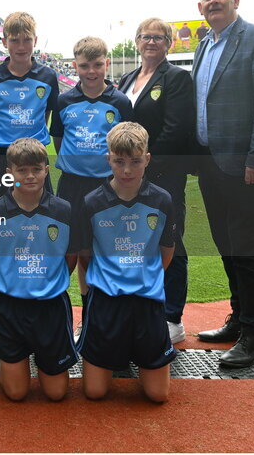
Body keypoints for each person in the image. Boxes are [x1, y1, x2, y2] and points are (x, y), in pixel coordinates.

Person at [192, 0, 254, 368]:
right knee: (227, 248)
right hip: (212, 166)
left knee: (247, 252)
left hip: (247, 166)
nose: (214, 1)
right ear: (200, 8)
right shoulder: (203, 46)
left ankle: (253, 336)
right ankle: (238, 320)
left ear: (235, 0)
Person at [74, 122, 178, 402]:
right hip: (107, 300)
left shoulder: (162, 200)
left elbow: (166, 252)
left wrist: (143, 275)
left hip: (147, 300)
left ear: (147, 159)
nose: (127, 170)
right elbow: (85, 256)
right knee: (95, 393)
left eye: (135, 161)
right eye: (119, 162)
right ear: (109, 160)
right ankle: (117, 355)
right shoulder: (92, 202)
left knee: (158, 396)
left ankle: (135, 356)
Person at [0, 138, 80, 401]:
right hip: (10, 306)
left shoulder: (63, 210)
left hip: (50, 306)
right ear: (9, 173)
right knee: (16, 394)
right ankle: (15, 362)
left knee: (56, 394)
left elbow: (70, 257)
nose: (30, 175)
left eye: (36, 169)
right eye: (22, 170)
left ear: (47, 169)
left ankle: (38, 359)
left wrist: (49, 281)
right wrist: (12, 282)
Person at [117, 19, 195, 344]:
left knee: (170, 241)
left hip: (163, 176)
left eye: (158, 37)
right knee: (137, 242)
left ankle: (172, 317)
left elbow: (176, 131)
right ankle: (141, 311)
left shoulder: (177, 78)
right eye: (146, 36)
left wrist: (144, 168)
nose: (151, 41)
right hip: (130, 177)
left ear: (169, 43)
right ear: (137, 41)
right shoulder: (127, 79)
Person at [51, 36, 132, 318]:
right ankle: (73, 317)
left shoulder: (120, 102)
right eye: (85, 65)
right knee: (73, 251)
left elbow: (126, 147)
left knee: (103, 251)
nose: (92, 71)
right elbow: (59, 141)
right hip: (72, 185)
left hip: (106, 187)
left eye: (97, 64)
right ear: (75, 66)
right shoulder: (64, 101)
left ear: (106, 63)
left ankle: (101, 315)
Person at [0, 11, 59, 205]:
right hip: (0, 156)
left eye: (27, 39)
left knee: (40, 213)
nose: (21, 47)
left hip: (35, 156)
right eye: (14, 40)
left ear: (35, 40)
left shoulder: (48, 76)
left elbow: (45, 115)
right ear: (4, 42)